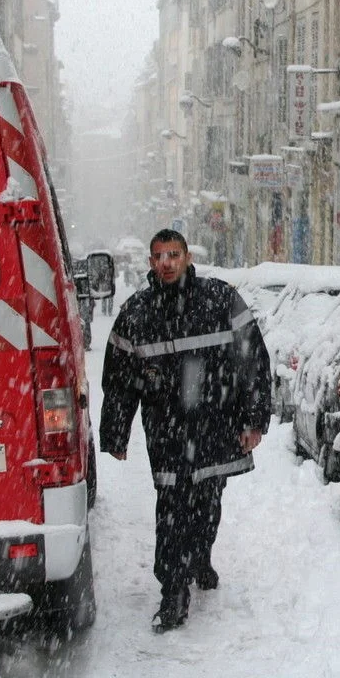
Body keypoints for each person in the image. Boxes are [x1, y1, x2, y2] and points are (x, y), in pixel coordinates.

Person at [101, 229, 272, 633]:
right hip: (167, 431)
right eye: (159, 256)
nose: (167, 263)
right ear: (150, 262)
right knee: (173, 508)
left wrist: (253, 419)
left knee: (208, 501)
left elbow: (252, 360)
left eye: (173, 255)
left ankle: (199, 555)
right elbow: (119, 379)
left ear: (187, 257)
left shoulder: (220, 300)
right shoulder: (137, 314)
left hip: (216, 424)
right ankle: (173, 590)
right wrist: (116, 432)